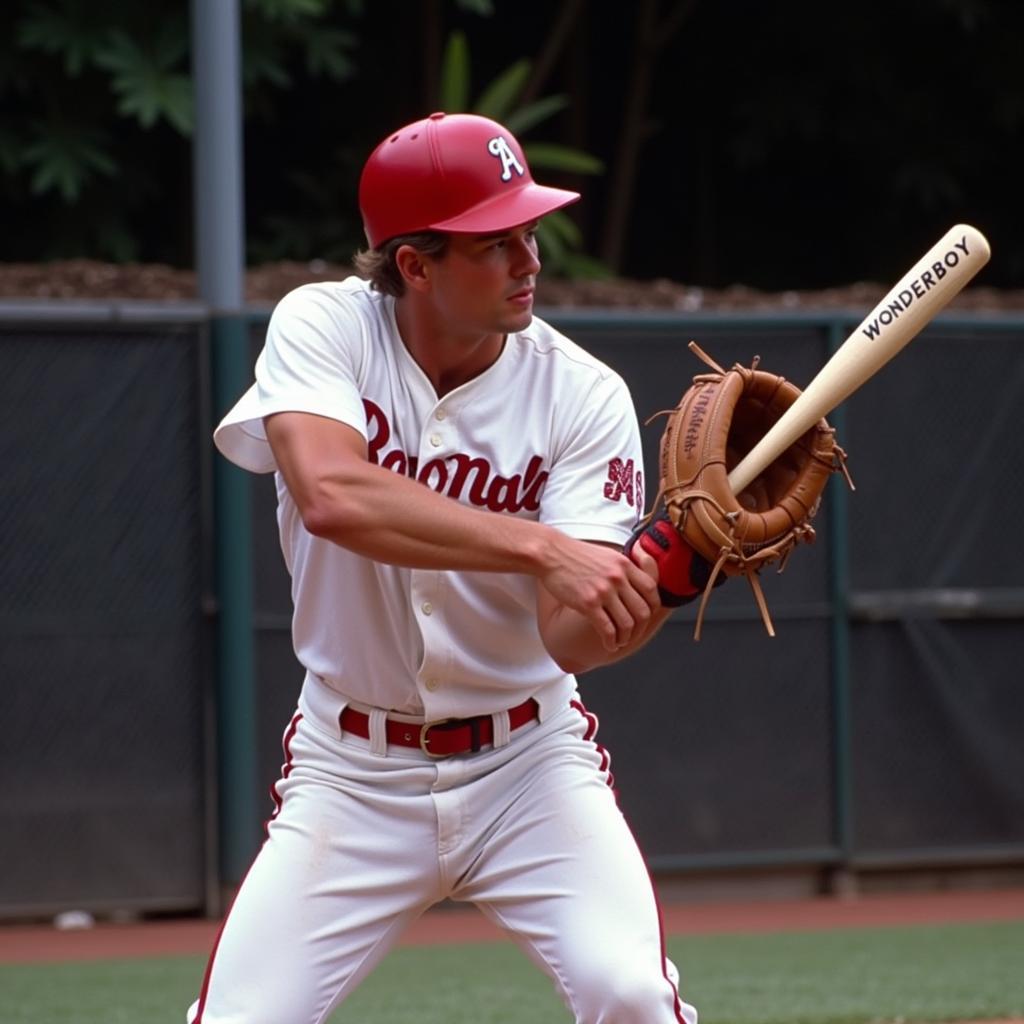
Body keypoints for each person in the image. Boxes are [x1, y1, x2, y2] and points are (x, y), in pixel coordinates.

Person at [189, 111, 707, 1024]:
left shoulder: (582, 394)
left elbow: (570, 633)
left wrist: (675, 571)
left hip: (528, 764)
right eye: (494, 241)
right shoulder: (325, 326)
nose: (528, 259)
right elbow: (334, 496)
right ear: (414, 265)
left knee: (630, 995)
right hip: (351, 773)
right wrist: (544, 547)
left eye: (530, 231)